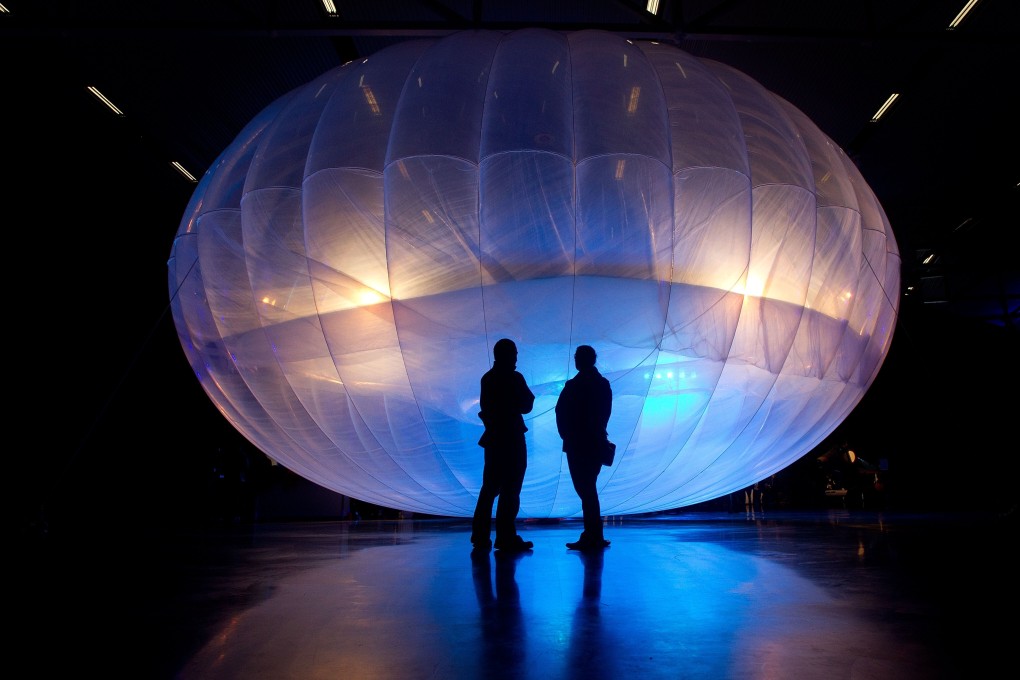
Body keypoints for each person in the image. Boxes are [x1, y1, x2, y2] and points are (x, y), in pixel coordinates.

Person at [471, 338, 536, 552]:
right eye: (515, 353)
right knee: (511, 489)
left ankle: (480, 536)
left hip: (494, 439)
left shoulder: (487, 379)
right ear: (508, 355)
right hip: (513, 439)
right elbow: (527, 405)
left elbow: (486, 407)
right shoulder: (515, 377)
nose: (517, 357)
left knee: (489, 488)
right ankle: (505, 536)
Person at [556, 344, 613, 552]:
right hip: (595, 442)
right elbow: (605, 414)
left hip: (578, 444)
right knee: (589, 487)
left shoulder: (573, 386)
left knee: (585, 489)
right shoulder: (602, 384)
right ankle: (593, 534)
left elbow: (560, 412)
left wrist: (568, 436)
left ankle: (592, 535)